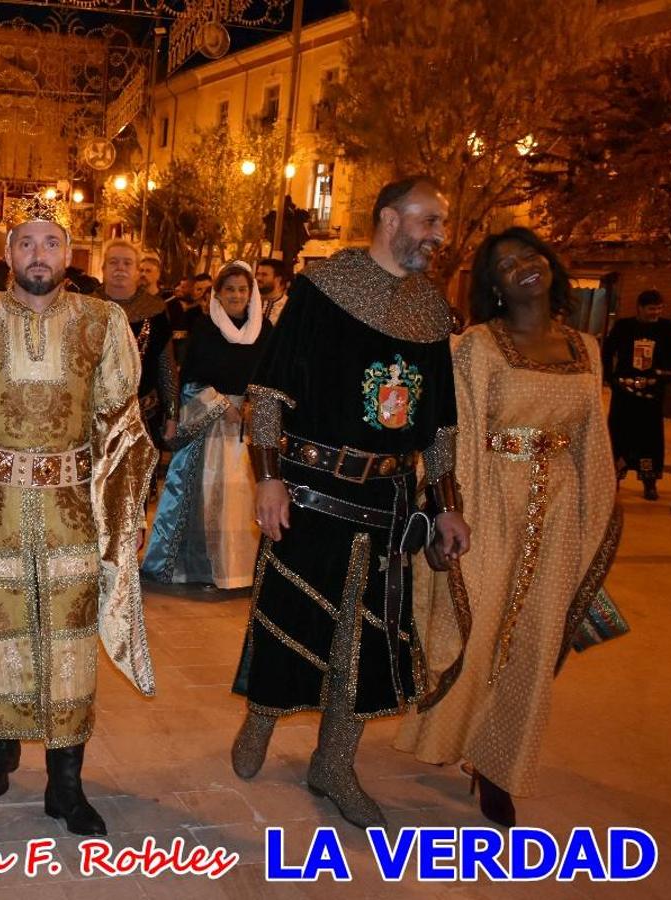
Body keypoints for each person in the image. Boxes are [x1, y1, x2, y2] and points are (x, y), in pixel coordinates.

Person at [230, 175, 471, 829]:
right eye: (429, 221)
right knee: (293, 616)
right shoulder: (321, 290)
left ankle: (333, 764)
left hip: (390, 498)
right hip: (313, 488)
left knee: (367, 643)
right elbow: (271, 394)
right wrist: (268, 477)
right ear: (390, 219)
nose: (437, 236)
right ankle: (263, 713)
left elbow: (442, 423)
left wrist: (445, 501)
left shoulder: (430, 309)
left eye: (440, 224)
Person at [0, 195, 157, 836]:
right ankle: (2, 744)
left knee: (68, 646)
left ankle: (65, 784)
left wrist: (127, 514)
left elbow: (122, 428)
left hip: (70, 513)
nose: (38, 254)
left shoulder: (103, 323)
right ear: (9, 252)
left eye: (51, 242)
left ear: (69, 252)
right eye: (26, 242)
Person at [395, 227, 621, 827]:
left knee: (536, 640)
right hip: (491, 499)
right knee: (481, 624)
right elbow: (460, 433)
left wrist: (596, 519)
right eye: (506, 263)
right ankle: (452, 737)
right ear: (492, 285)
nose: (524, 266)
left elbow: (593, 444)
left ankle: (499, 766)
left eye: (531, 255)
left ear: (551, 265)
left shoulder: (587, 347)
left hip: (560, 516)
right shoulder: (477, 346)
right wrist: (451, 511)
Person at [142, 261, 264, 589]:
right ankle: (202, 571)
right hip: (210, 429)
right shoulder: (206, 331)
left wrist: (256, 405)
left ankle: (243, 572)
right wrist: (221, 405)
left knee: (246, 499)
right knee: (207, 501)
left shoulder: (265, 330)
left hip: (250, 431)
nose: (237, 295)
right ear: (218, 295)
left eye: (242, 289)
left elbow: (270, 379)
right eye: (230, 290)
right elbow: (189, 382)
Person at [95, 239, 178, 451]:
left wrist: (172, 414)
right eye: (114, 262)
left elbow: (165, 366)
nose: (120, 268)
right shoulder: (87, 307)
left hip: (142, 416)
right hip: (94, 419)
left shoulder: (155, 310)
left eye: (127, 263)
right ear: (103, 268)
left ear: (137, 270)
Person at [603, 290, 671, 500]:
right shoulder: (624, 326)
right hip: (624, 389)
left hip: (652, 390)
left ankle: (649, 482)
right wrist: (607, 377)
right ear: (640, 307)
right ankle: (614, 480)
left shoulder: (668, 328)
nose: (655, 312)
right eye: (651, 308)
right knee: (619, 433)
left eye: (659, 308)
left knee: (650, 437)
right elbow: (608, 351)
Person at [255, 257, 290, 326]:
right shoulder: (249, 303)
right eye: (258, 274)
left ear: (278, 279)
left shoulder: (289, 308)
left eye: (264, 275)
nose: (258, 278)